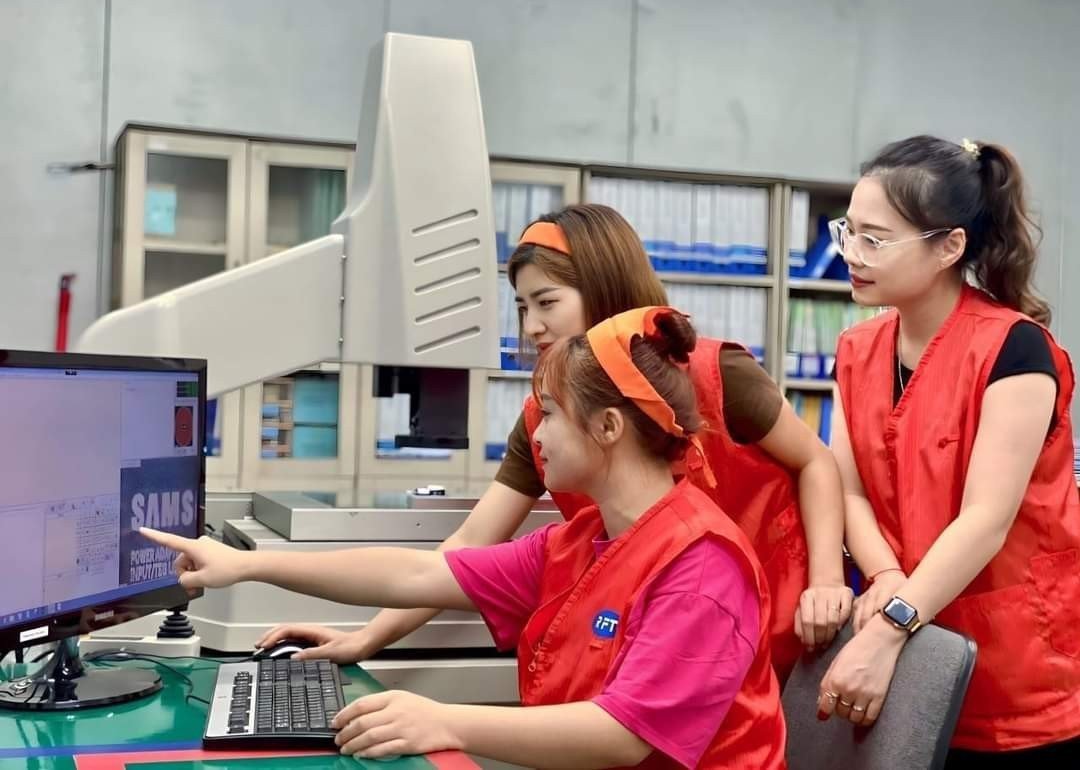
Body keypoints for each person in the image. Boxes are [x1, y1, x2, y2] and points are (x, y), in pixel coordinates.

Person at [144, 308, 787, 768]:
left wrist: (443, 719)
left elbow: (623, 734)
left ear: (610, 428)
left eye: (553, 416)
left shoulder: (701, 564)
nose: (536, 436)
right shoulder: (586, 537)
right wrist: (249, 566)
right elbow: (420, 576)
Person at [262, 204, 849, 680]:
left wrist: (825, 582)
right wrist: (368, 637)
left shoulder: (715, 376)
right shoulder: (552, 413)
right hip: (654, 645)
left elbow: (816, 462)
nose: (531, 327)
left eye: (547, 303)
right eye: (521, 307)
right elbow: (468, 542)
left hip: (781, 630)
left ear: (605, 291)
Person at [817, 135, 1080, 767]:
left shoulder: (1016, 350)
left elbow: (985, 521)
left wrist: (887, 627)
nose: (852, 253)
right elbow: (845, 486)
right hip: (908, 639)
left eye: (875, 239)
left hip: (1016, 668)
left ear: (949, 247)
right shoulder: (857, 350)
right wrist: (883, 575)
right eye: (848, 231)